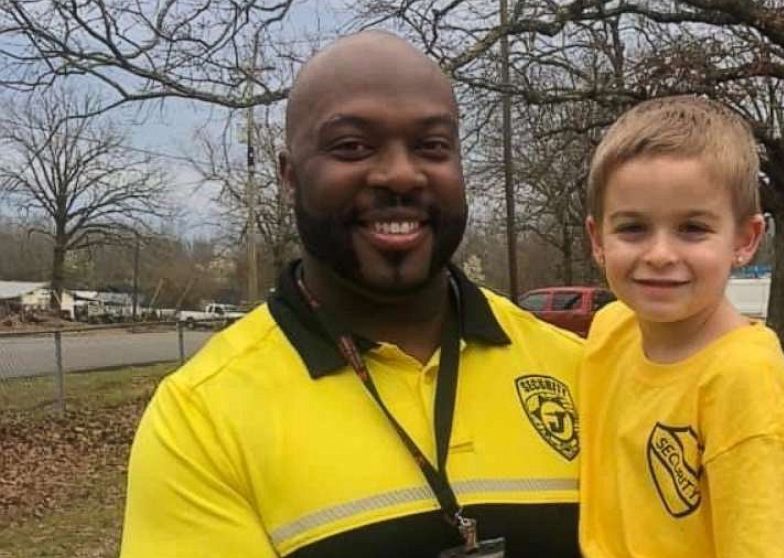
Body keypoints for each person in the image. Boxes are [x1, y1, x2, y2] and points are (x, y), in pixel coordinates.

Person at [120, 31, 583, 558]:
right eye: (353, 147)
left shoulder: (582, 372)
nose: (402, 175)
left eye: (431, 145)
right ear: (289, 176)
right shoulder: (200, 419)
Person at [578, 96, 784, 557]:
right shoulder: (611, 333)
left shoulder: (752, 393)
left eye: (692, 229)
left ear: (745, 239)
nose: (659, 254)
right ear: (598, 240)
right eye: (633, 228)